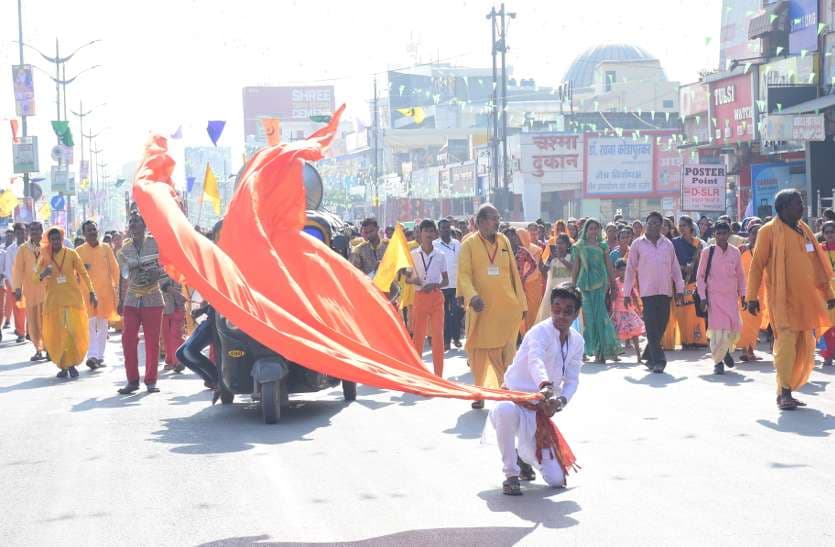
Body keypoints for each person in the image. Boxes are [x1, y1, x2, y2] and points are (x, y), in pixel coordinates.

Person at [488, 285, 582, 495]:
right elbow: (535, 360)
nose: (561, 315)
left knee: (557, 480)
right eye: (556, 309)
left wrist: (561, 401)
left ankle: (523, 457)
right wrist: (545, 385)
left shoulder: (577, 341)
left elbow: (573, 379)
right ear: (551, 309)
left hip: (538, 411)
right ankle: (511, 475)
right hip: (514, 400)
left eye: (568, 311)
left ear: (576, 314)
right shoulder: (539, 332)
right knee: (505, 411)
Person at [747, 189, 835, 410]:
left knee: (804, 346)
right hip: (782, 300)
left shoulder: (804, 230)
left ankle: (788, 389)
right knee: (786, 344)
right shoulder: (768, 231)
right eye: (798, 203)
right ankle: (784, 392)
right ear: (784, 207)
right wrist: (751, 297)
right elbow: (756, 266)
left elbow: (817, 266)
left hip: (806, 301)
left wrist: (828, 295)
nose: (802, 207)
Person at [458, 204, 527, 409]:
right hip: (482, 309)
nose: (497, 222)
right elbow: (464, 275)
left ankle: (505, 390)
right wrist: (472, 296)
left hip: (507, 308)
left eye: (498, 218)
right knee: (479, 352)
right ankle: (479, 392)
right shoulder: (468, 244)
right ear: (479, 222)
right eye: (492, 218)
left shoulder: (504, 240)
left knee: (507, 351)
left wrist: (521, 303)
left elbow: (514, 273)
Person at [624, 212, 685, 373]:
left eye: (657, 224)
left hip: (665, 292)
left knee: (661, 325)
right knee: (651, 326)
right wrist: (626, 292)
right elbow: (630, 270)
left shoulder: (668, 244)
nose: (653, 226)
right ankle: (659, 360)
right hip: (647, 292)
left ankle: (648, 354)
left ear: (662, 226)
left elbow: (675, 268)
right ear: (646, 224)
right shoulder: (638, 244)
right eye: (650, 223)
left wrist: (680, 289)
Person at [36, 227, 97, 378]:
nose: (56, 242)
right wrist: (43, 274)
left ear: (62, 239)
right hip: (53, 302)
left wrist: (92, 291)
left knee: (72, 332)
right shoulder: (44, 257)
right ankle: (63, 365)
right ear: (49, 241)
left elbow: (83, 273)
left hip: (72, 300)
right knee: (57, 334)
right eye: (53, 240)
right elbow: (34, 278)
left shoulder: (71, 254)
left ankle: (72, 364)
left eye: (58, 239)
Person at [117, 212, 165, 394]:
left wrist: (158, 273)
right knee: (128, 339)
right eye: (130, 221)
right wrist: (120, 299)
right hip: (131, 298)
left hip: (153, 296)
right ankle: (132, 380)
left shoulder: (155, 243)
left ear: (145, 225)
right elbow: (122, 276)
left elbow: (168, 265)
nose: (133, 224)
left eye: (136, 221)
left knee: (152, 342)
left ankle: (151, 380)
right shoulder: (124, 249)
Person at [696, 222, 746, 375]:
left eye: (724, 233)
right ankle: (718, 362)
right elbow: (700, 276)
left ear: (729, 234)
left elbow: (740, 275)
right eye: (718, 233)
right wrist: (703, 297)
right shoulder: (707, 252)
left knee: (732, 329)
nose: (721, 237)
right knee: (718, 330)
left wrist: (743, 294)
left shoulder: (735, 252)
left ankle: (725, 352)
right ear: (714, 234)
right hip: (714, 297)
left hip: (731, 298)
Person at [570, 218, 621, 363]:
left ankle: (602, 352)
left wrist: (613, 282)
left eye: (596, 228)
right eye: (590, 228)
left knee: (601, 317)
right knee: (589, 319)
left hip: (600, 284)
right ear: (586, 230)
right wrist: (572, 286)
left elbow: (609, 265)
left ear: (600, 230)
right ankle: (587, 350)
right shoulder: (579, 246)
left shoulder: (603, 246)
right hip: (584, 285)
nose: (593, 231)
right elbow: (576, 267)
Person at [405, 219, 448, 377]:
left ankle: (438, 376)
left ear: (435, 234)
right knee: (418, 337)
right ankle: (418, 375)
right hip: (420, 298)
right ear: (420, 234)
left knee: (438, 336)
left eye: (432, 231)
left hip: (436, 297)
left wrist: (435, 284)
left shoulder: (440, 255)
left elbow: (446, 280)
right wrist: (414, 280)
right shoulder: (413, 255)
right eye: (426, 231)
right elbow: (407, 279)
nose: (429, 234)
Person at [76, 220, 120, 370]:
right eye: (89, 230)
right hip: (87, 294)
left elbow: (115, 269)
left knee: (102, 325)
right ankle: (92, 355)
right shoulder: (79, 251)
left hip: (105, 293)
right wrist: (82, 268)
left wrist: (118, 288)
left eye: (94, 229)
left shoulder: (106, 248)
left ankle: (99, 356)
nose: (92, 232)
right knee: (90, 324)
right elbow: (74, 272)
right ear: (84, 233)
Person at [13, 221, 47, 361]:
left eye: (37, 230)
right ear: (29, 232)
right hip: (30, 292)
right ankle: (38, 350)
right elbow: (18, 270)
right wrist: (17, 288)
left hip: (47, 291)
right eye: (31, 230)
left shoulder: (48, 247)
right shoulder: (23, 249)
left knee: (47, 322)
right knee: (33, 323)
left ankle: (50, 349)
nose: (34, 233)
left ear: (41, 231)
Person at [672, 216, 708, 349]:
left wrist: (696, 261)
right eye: (679, 225)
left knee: (694, 311)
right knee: (682, 312)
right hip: (680, 280)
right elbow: (671, 261)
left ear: (690, 227)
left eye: (684, 225)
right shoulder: (674, 243)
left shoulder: (699, 243)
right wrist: (682, 268)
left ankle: (697, 340)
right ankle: (685, 341)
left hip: (694, 280)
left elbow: (704, 262)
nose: (681, 228)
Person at [737, 221, 767, 361]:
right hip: (744, 292)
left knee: (756, 321)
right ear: (748, 235)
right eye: (753, 232)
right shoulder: (741, 250)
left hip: (762, 292)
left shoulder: (767, 250)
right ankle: (745, 350)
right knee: (746, 320)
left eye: (760, 233)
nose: (756, 235)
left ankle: (750, 349)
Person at [505, 228, 541, 335]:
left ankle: (523, 334)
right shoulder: (502, 250)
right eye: (508, 236)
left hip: (519, 285)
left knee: (521, 311)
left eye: (513, 236)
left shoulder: (522, 251)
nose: (511, 238)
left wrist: (525, 276)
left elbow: (534, 265)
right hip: (505, 285)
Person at [434, 219, 463, 350]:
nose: (445, 230)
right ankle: (446, 341)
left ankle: (456, 338)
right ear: (438, 230)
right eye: (443, 228)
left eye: (447, 227)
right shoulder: (435, 244)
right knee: (444, 314)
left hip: (456, 283)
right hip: (442, 284)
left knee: (457, 312)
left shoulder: (457, 243)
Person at [611, 259, 644, 363]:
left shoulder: (630, 281)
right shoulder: (615, 283)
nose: (623, 272)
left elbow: (634, 294)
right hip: (618, 311)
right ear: (616, 271)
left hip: (629, 311)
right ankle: (615, 355)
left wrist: (639, 308)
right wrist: (611, 311)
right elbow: (612, 296)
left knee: (635, 333)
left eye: (625, 270)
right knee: (615, 335)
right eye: (621, 270)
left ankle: (639, 356)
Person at [537, 234, 573, 322]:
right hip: (553, 293)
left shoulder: (571, 257)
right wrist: (550, 258)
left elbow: (573, 268)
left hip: (568, 293)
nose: (559, 246)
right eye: (557, 243)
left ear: (567, 245)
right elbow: (543, 271)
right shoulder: (552, 259)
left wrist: (561, 259)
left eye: (562, 243)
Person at [4, 223, 26, 341]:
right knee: (18, 310)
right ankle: (21, 332)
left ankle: (29, 331)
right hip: (15, 285)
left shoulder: (31, 247)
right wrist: (15, 287)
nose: (21, 235)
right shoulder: (10, 250)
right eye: (18, 232)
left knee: (31, 310)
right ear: (15, 234)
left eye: (23, 232)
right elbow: (8, 269)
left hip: (30, 285)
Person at [161, 277, 187, 372]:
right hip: (164, 306)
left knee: (177, 335)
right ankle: (170, 361)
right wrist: (178, 294)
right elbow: (162, 285)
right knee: (166, 336)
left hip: (178, 306)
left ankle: (178, 361)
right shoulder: (156, 265)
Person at [819, 221, 835, 366]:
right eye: (827, 232)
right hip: (825, 292)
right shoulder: (819, 249)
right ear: (823, 234)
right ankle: (827, 354)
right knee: (826, 325)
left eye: (832, 231)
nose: (830, 234)